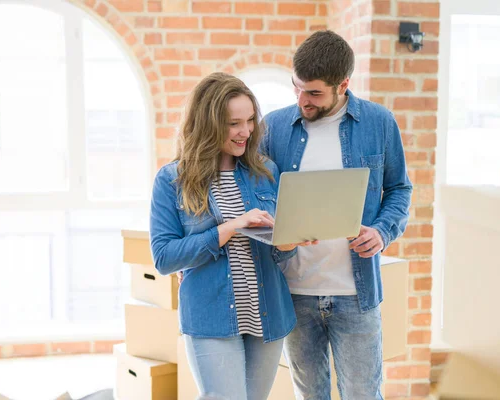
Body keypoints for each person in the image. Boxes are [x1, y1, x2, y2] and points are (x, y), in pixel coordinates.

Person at [261, 30, 413, 399]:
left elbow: (399, 190)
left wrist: (381, 232)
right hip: (293, 293)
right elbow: (260, 197)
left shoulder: (379, 123)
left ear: (343, 85)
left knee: (363, 394)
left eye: (313, 93)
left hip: (355, 294)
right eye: (296, 88)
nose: (302, 100)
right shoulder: (274, 127)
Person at [149, 72, 312, 400]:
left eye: (250, 120)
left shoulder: (266, 172)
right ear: (208, 124)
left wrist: (287, 243)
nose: (246, 132)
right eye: (233, 123)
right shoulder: (172, 180)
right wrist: (229, 227)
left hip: (267, 311)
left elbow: (280, 254)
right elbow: (164, 257)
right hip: (210, 315)